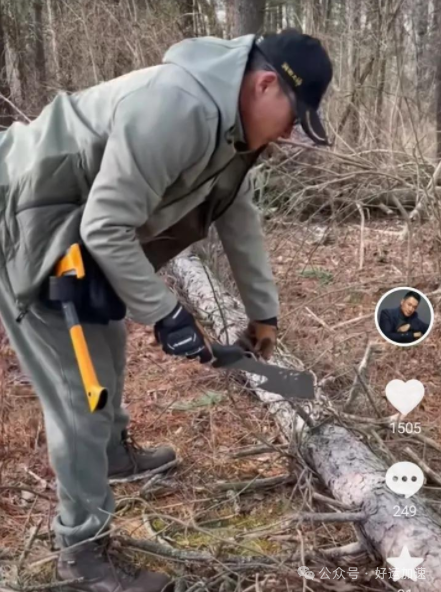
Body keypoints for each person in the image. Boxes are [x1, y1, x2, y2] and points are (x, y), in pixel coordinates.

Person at [0, 29, 332, 591]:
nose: (290, 134)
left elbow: (237, 215)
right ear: (265, 83)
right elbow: (106, 224)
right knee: (81, 391)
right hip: (24, 217)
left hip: (74, 227)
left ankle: (109, 454)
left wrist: (263, 314)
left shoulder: (231, 129)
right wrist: (165, 311)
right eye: (292, 118)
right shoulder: (181, 107)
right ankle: (82, 556)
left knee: (107, 335)